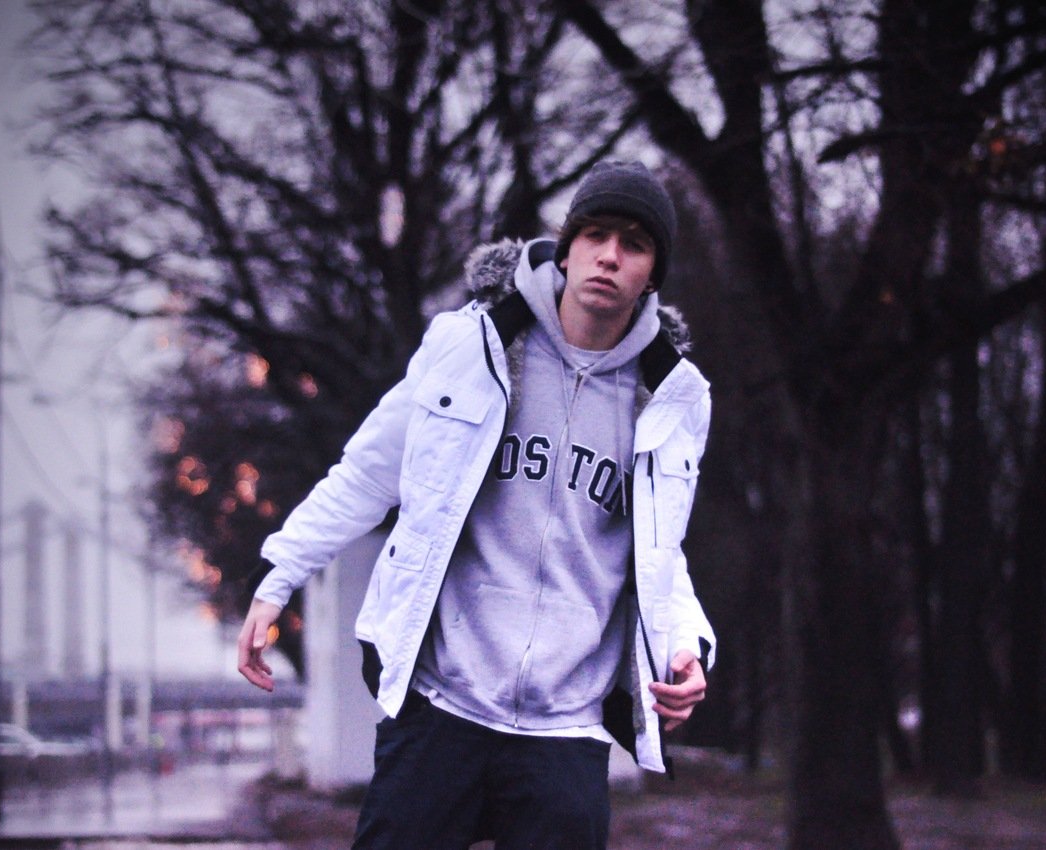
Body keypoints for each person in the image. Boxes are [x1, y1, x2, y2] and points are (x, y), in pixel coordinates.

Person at [237, 160, 715, 849]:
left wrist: (687, 648)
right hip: (444, 705)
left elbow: (661, 549)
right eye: (597, 235)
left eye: (634, 245)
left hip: (565, 730)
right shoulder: (471, 345)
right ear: (568, 245)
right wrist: (279, 574)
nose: (610, 256)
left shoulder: (674, 397)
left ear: (652, 273)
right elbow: (368, 473)